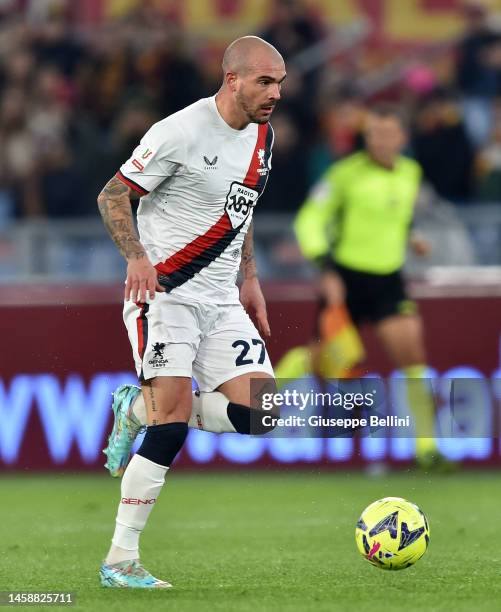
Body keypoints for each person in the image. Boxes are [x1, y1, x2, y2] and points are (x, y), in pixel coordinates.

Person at [97, 36, 286, 588]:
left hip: (223, 299)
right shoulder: (178, 131)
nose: (275, 93)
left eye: (279, 83)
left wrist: (249, 277)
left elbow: (241, 208)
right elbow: (113, 194)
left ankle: (137, 409)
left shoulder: (262, 138)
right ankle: (120, 560)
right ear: (232, 80)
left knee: (263, 414)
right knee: (173, 425)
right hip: (166, 296)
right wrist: (135, 257)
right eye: (264, 82)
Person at [293, 104, 445, 469]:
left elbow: (398, 215)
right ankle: (255, 409)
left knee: (413, 354)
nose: (380, 140)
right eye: (374, 133)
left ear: (402, 138)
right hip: (345, 279)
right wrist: (325, 268)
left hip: (389, 279)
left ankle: (427, 450)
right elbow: (308, 220)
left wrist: (413, 237)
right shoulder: (344, 175)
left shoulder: (410, 173)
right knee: (323, 363)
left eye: (388, 133)